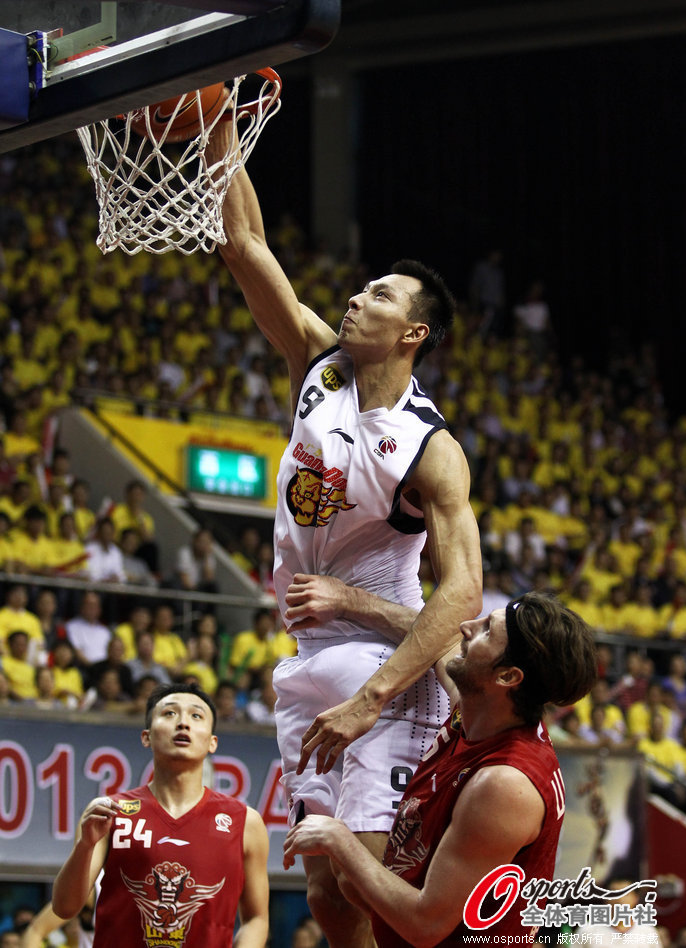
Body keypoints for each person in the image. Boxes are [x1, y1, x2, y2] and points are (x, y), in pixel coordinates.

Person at [208, 122, 482, 946]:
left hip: (385, 674)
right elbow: (242, 241)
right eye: (360, 289)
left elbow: (462, 594)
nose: (356, 298)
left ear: (412, 335)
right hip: (308, 656)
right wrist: (219, 121)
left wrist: (371, 701)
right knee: (327, 898)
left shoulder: (432, 449)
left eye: (380, 297)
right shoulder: (319, 369)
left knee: (373, 887)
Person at [283, 593, 598, 945]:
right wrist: (344, 602)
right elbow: (434, 636)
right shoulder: (481, 713)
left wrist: (338, 840)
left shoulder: (504, 784)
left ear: (508, 676)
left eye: (485, 631)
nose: (466, 626)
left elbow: (426, 925)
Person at [51, 682, 270, 947]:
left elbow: (257, 919)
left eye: (196, 716)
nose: (183, 723)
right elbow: (64, 908)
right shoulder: (110, 813)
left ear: (212, 743)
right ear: (147, 736)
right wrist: (85, 845)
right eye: (169, 714)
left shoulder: (245, 821)